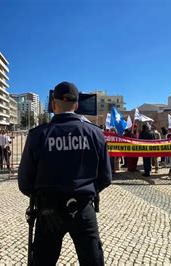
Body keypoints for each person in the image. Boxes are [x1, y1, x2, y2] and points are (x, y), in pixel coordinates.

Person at [18, 81, 112, 265]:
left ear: (53, 104)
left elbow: (25, 182)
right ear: (76, 105)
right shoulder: (96, 134)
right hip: (84, 208)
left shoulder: (38, 135)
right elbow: (106, 178)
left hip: (48, 211)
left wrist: (43, 198)